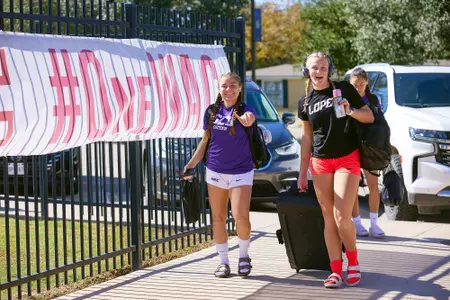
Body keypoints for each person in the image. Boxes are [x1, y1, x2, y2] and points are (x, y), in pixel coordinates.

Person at [297, 52, 374, 288]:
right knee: (328, 219)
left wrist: (350, 110)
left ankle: (353, 261)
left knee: (342, 217)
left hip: (346, 159)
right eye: (314, 68)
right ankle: (335, 271)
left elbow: (369, 117)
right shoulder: (305, 101)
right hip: (320, 163)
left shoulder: (343, 89)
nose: (318, 71)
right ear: (306, 71)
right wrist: (302, 172)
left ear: (329, 69)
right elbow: (307, 137)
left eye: (322, 67)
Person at [183, 72, 257, 278]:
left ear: (240, 88)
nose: (228, 90)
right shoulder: (210, 112)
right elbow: (205, 141)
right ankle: (223, 261)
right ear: (219, 88)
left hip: (241, 171)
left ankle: (243, 256)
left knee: (241, 216)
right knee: (218, 217)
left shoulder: (245, 110)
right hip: (215, 169)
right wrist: (191, 164)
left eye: (233, 86)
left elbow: (250, 119)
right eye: (224, 86)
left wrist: (246, 120)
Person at [349, 67, 386, 238]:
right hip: (351, 146)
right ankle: (357, 223)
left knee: (373, 186)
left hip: (370, 147)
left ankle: (374, 224)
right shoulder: (344, 99)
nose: (358, 88)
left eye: (361, 85)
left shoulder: (373, 99)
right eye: (354, 85)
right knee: (353, 187)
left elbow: (380, 124)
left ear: (367, 84)